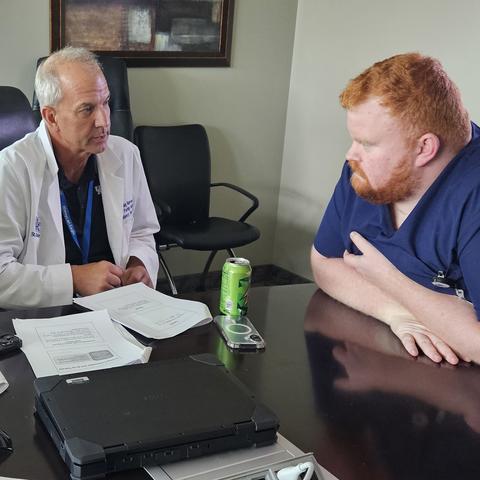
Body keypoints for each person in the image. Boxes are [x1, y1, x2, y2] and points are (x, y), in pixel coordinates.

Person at [311, 52, 480, 366]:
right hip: (373, 356)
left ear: (424, 148)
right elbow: (323, 261)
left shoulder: (472, 195)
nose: (352, 154)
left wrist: (387, 278)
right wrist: (397, 312)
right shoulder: (365, 173)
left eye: (368, 144)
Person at [0, 47, 159, 309]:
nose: (104, 121)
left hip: (117, 305)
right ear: (51, 117)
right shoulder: (12, 168)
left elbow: (142, 231)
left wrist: (138, 263)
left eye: (106, 103)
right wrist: (74, 278)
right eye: (87, 109)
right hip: (46, 315)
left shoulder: (125, 154)